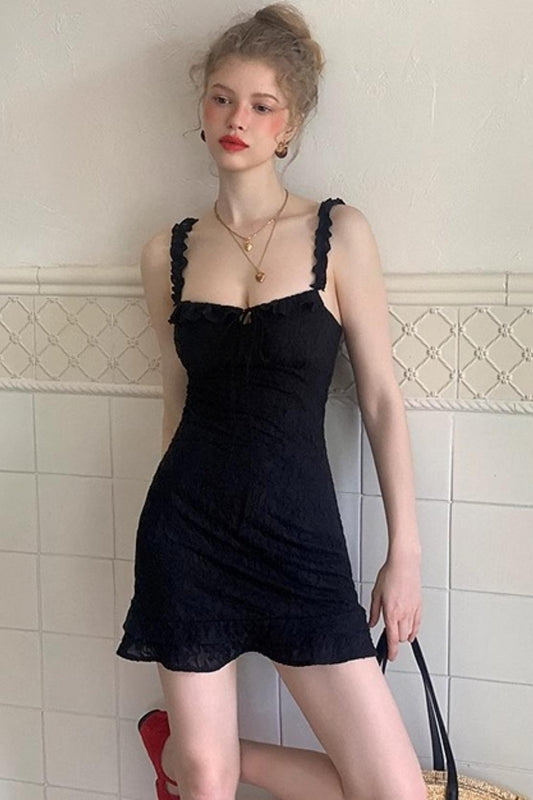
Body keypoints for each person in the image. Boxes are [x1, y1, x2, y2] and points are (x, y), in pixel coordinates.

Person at [116, 3, 427, 800]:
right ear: (201, 109)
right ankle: (197, 761)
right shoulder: (166, 253)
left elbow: (381, 401)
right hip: (187, 535)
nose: (237, 120)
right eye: (221, 98)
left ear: (288, 127)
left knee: (392, 792)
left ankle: (184, 752)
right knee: (207, 781)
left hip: (299, 540)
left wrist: (405, 553)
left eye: (261, 105)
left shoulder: (339, 233)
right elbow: (175, 400)